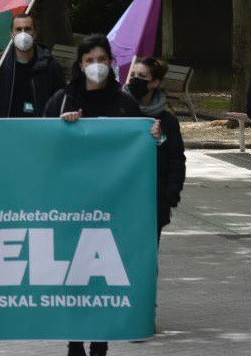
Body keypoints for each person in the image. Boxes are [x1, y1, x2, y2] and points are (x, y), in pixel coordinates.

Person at [45, 34, 161, 356]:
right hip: (70, 205)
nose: (96, 66)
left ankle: (99, 341)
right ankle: (74, 341)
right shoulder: (62, 101)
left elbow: (140, 150)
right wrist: (61, 129)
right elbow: (44, 148)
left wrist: (153, 136)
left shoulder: (125, 103)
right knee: (73, 274)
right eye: (89, 60)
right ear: (80, 65)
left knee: (102, 276)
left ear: (111, 63)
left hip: (111, 205)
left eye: (101, 60)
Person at [126, 57, 187, 238]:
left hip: (153, 201)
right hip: (122, 198)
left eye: (142, 76)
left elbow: (176, 160)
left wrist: (169, 196)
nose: (135, 80)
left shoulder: (168, 121)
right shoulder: (119, 111)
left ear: (155, 82)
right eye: (133, 75)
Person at [0, 14, 65, 118]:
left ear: (35, 33)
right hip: (6, 125)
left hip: (38, 125)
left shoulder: (50, 65)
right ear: (12, 34)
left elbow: (62, 100)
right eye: (18, 29)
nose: (23, 34)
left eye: (27, 29)